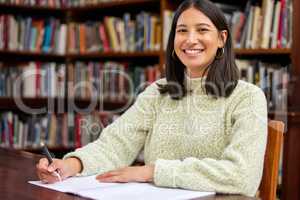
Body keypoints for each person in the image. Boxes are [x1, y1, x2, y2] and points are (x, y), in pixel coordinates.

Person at [36, 0, 267, 197]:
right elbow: (116, 144)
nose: (190, 39)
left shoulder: (247, 97)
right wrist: (70, 165)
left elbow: (242, 175)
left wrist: (152, 171)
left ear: (221, 38)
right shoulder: (158, 92)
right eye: (182, 30)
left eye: (203, 30)